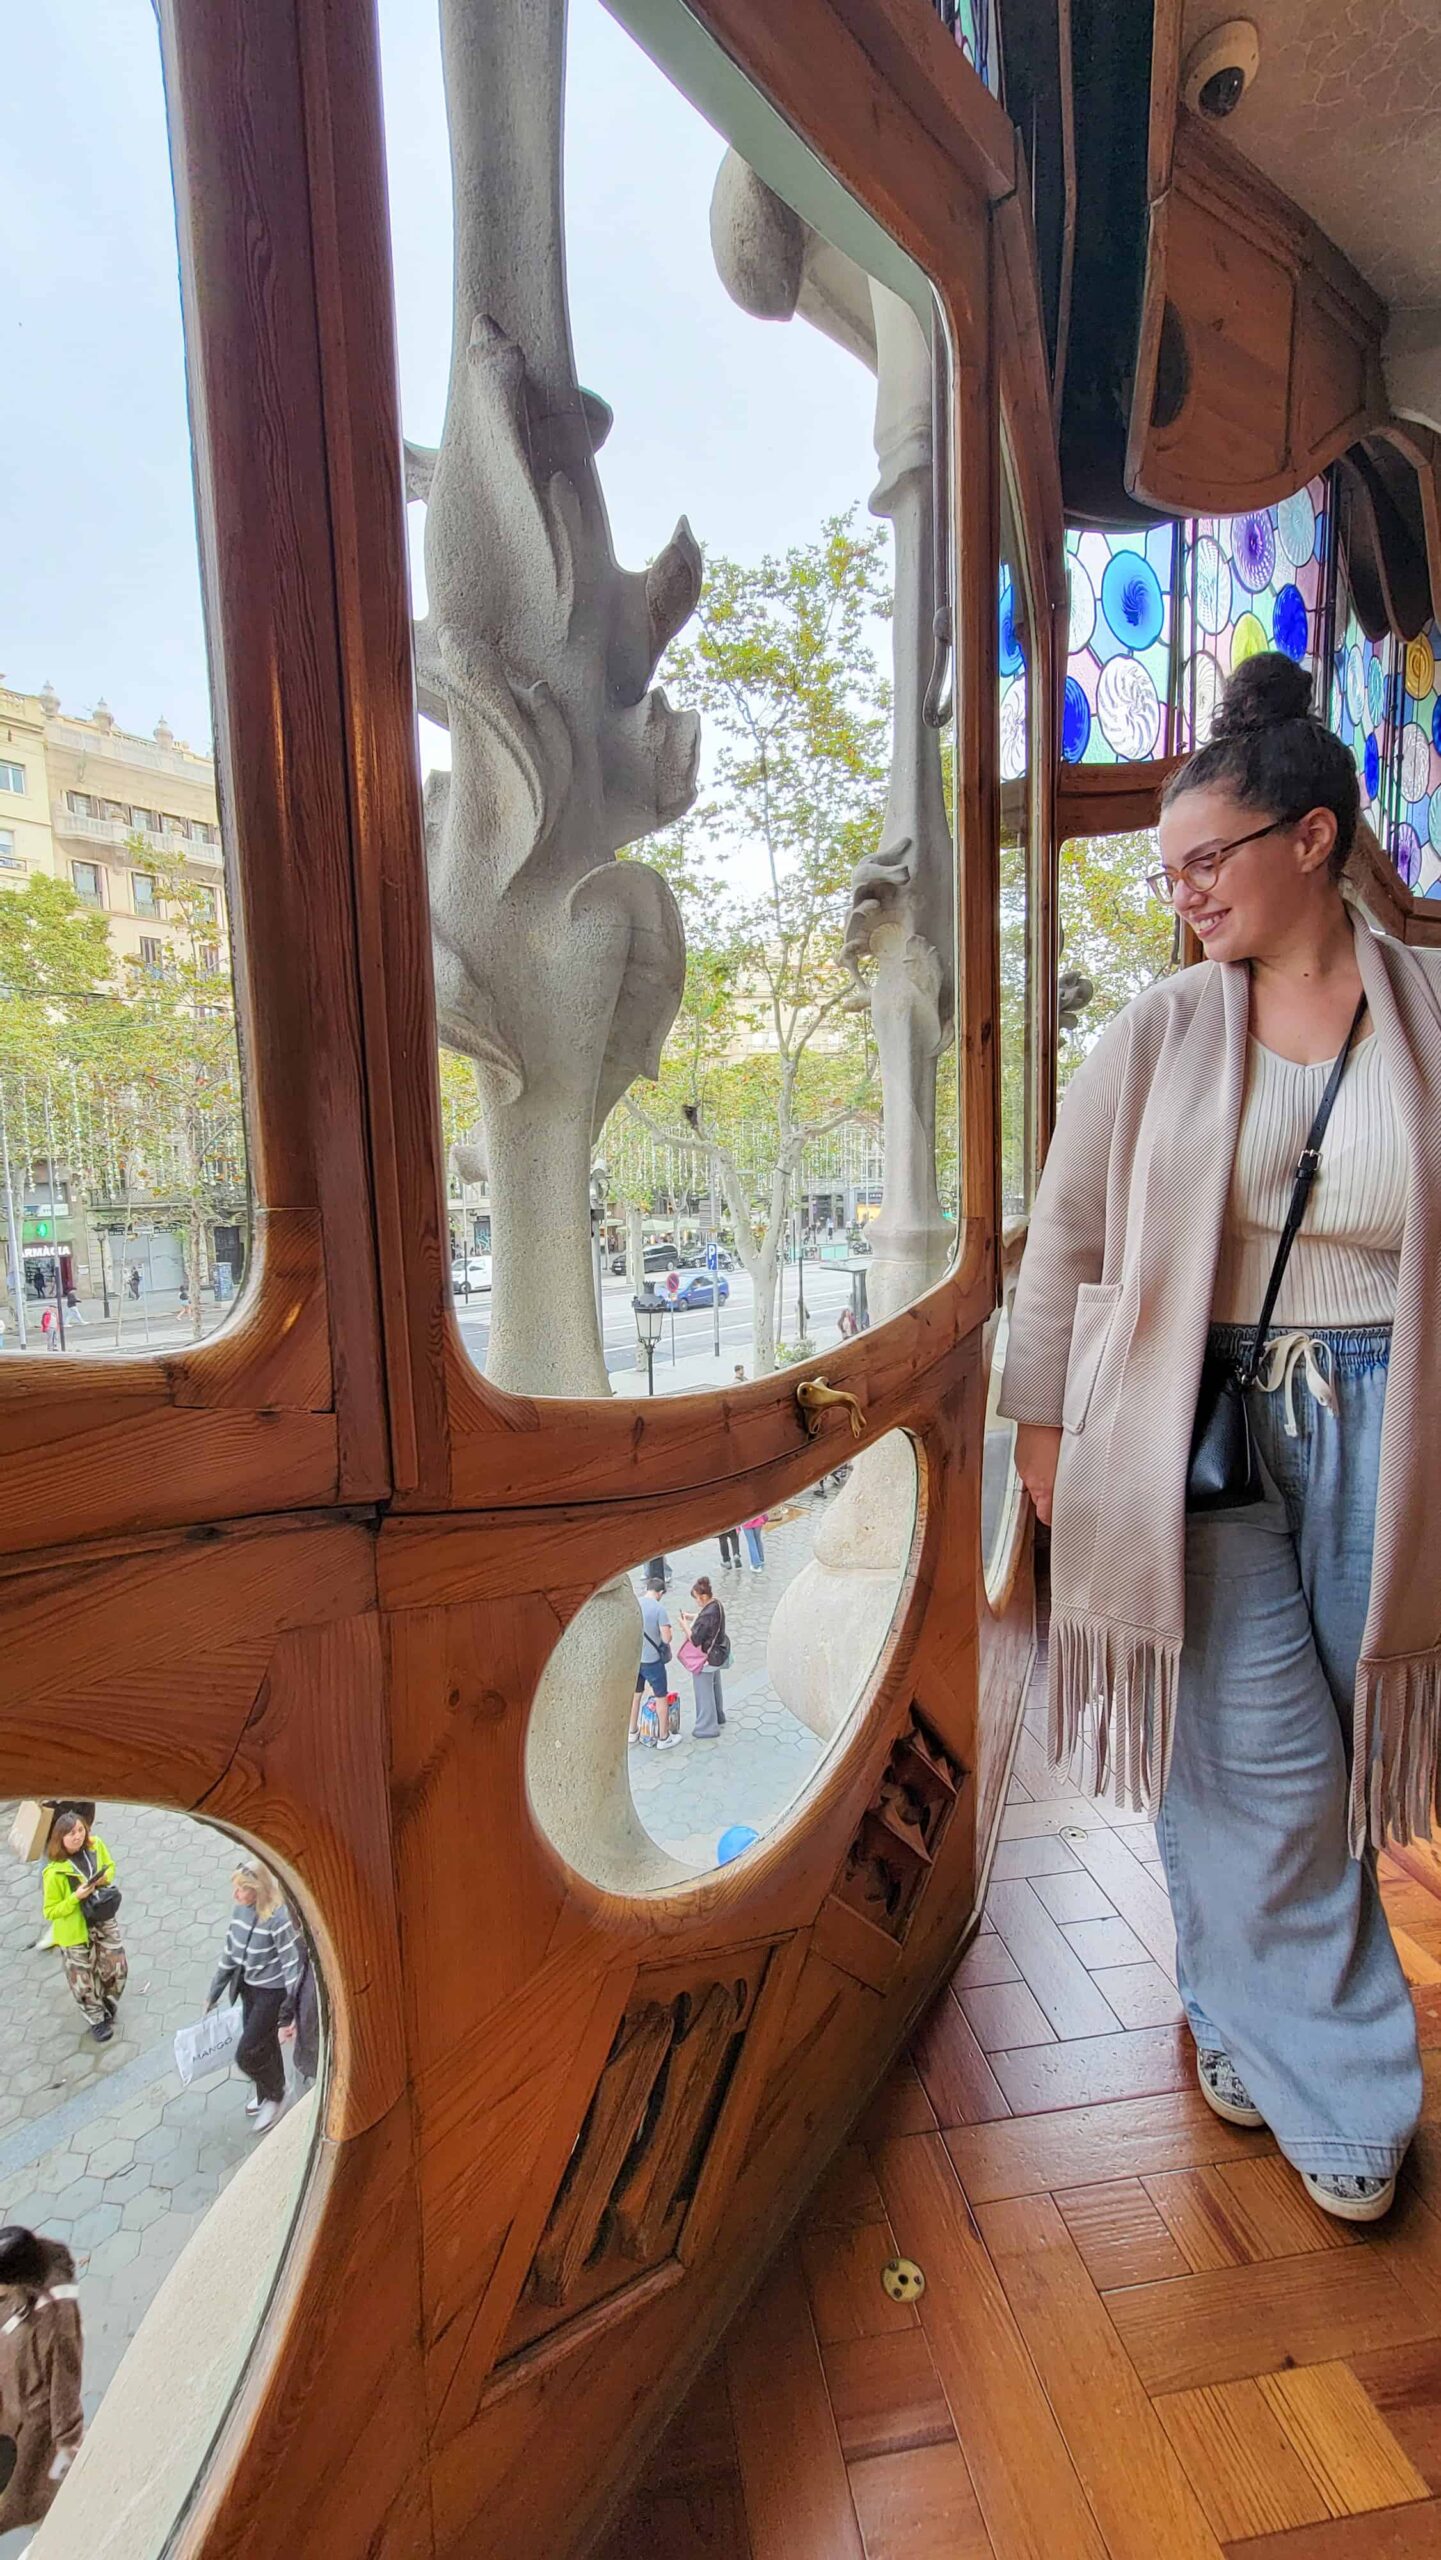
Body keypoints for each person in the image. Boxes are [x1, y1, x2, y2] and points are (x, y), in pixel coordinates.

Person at [1000, 652, 1441, 2226]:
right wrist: (1042, 1442)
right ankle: (1354, 2100)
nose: (1181, 892)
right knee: (1255, 1764)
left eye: (1207, 859)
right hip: (1196, 1425)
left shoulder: (1428, 1009)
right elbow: (1061, 1245)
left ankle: (1248, 2018)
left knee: (1320, 1779)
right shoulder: (1163, 1031)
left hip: (1398, 1429)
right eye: (1168, 867)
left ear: (1309, 843)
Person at [207, 1859, 304, 2135]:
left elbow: (290, 1965)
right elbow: (231, 1952)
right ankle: (267, 2096)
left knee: (246, 2053)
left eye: (241, 1889)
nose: (235, 1894)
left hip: (271, 1994)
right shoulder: (241, 1912)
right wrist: (214, 1990)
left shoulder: (277, 1918)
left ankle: (276, 2092)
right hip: (248, 1988)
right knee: (263, 2044)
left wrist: (289, 2011)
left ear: (257, 1889)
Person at [0, 2228, 83, 2537]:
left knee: (24, 2500)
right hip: (13, 2404)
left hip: (34, 2421)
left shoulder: (54, 2321)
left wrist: (67, 2442)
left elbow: (64, 2383)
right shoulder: (19, 2300)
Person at [42, 1808, 126, 2044]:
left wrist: (104, 1878)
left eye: (80, 1830)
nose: (77, 1836)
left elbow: (110, 1866)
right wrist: (75, 1897)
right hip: (74, 1930)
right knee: (82, 1979)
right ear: (61, 1839)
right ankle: (96, 2020)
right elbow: (50, 1910)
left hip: (101, 1917)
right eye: (71, 1834)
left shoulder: (95, 1845)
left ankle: (108, 1999)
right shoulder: (54, 1872)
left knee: (117, 1966)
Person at [631, 1572, 678, 1750]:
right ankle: (663, 1737)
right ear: (660, 1593)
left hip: (636, 1659)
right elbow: (666, 1639)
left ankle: (632, 1731)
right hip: (653, 1661)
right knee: (661, 1697)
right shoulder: (659, 1610)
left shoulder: (635, 1604)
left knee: (636, 1695)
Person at [679, 1577, 728, 1739]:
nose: (696, 1602)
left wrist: (684, 1624)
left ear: (703, 1597)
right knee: (714, 1687)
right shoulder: (716, 1604)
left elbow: (695, 1639)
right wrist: (692, 1617)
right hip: (718, 1653)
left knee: (704, 1692)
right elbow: (704, 1617)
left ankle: (707, 1726)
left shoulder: (707, 1614)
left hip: (707, 1658)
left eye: (696, 1598)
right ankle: (718, 1716)